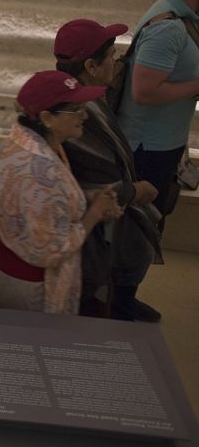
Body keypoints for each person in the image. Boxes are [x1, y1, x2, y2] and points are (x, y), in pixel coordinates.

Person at [0, 71, 123, 315]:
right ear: (47, 117)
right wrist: (93, 214)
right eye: (76, 109)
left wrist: (86, 198)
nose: (84, 116)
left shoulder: (31, 143)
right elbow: (52, 249)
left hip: (9, 264)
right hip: (32, 283)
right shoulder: (39, 169)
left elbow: (40, 205)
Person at [54, 19, 162, 320]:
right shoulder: (78, 113)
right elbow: (101, 186)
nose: (115, 61)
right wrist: (137, 192)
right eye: (111, 55)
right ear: (90, 65)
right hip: (88, 234)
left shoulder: (82, 97)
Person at [116, 0, 199, 247]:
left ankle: (126, 292)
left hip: (163, 144)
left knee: (146, 230)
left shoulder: (184, 19)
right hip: (147, 149)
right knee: (136, 233)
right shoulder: (168, 28)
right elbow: (144, 92)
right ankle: (121, 295)